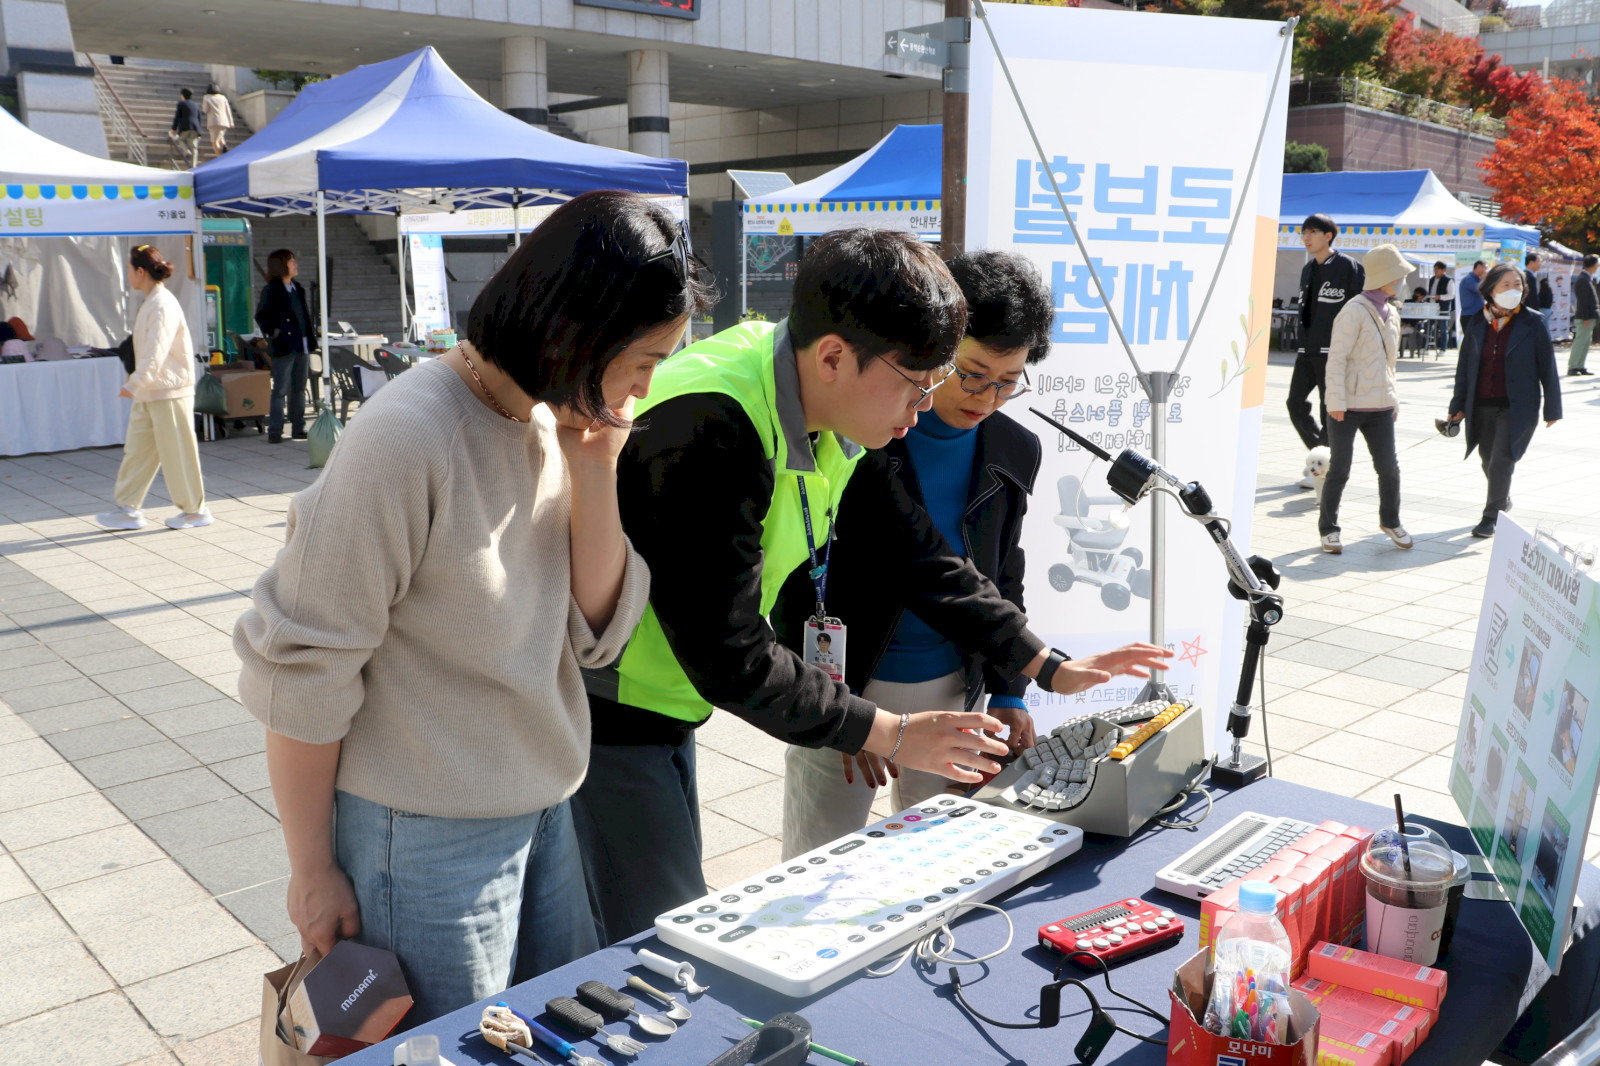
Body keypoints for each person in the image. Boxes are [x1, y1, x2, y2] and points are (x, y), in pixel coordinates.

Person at [573, 228, 1160, 946]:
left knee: (666, 920)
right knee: (658, 939)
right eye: (923, 385)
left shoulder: (830, 400)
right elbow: (726, 647)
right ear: (832, 357)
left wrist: (1044, 664)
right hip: (610, 708)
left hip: (669, 696)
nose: (922, 414)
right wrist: (887, 729)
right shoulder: (712, 425)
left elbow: (921, 553)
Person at [234, 192, 706, 1026]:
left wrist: (596, 463)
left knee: (556, 1038)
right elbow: (301, 667)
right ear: (576, 331)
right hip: (423, 838)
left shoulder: (551, 420)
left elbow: (597, 634)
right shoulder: (408, 436)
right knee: (447, 1050)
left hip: (546, 808)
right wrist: (311, 867)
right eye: (645, 358)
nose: (648, 383)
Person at [773, 250, 1171, 859]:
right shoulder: (860, 429)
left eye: (1008, 381)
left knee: (939, 863)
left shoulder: (1015, 447)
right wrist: (842, 715)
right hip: (846, 682)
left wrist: (1012, 687)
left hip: (954, 686)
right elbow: (825, 571)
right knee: (817, 862)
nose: (987, 397)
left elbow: (998, 573)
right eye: (972, 374)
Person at [96, 245, 212, 532]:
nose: (127, 275)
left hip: (168, 391)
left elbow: (156, 353)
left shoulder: (161, 304)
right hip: (152, 390)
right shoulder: (152, 301)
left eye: (128, 269)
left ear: (140, 271)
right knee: (137, 451)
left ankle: (195, 510)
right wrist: (138, 384)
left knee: (178, 453)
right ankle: (127, 508)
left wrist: (135, 382)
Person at [1447, 262, 1563, 539]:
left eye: (1518, 285)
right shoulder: (1476, 322)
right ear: (1491, 290)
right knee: (1487, 460)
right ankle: (1502, 500)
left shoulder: (1533, 322)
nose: (1514, 289)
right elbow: (1464, 369)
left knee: (1501, 460)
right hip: (1482, 404)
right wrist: (1457, 406)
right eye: (1506, 285)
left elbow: (1548, 366)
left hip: (1517, 405)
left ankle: (1491, 516)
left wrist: (1553, 408)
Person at [1317, 244, 1412, 556]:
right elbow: (1337, 360)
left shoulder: (1393, 313)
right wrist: (1336, 402)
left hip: (1380, 406)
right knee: (1340, 470)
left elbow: (1390, 363)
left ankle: (1391, 520)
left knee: (1390, 469)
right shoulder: (1353, 311)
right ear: (1385, 277)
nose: (1402, 281)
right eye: (1398, 275)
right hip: (1347, 408)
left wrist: (1393, 399)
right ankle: (1329, 529)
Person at [1290, 213, 1364, 483]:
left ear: (1328, 235)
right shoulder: (1307, 269)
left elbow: (1360, 310)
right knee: (1294, 404)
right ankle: (1320, 460)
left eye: (1312, 232)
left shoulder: (1348, 267)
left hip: (1334, 352)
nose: (1306, 238)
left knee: (1327, 409)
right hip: (1305, 351)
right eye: (1304, 233)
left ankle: (1319, 469)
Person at [255, 249, 314, 443]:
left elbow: (304, 315)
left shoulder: (298, 288)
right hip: (284, 346)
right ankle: (275, 429)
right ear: (282, 265)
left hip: (302, 345)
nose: (295, 264)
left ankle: (298, 427)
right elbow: (262, 316)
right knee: (280, 389)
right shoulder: (272, 290)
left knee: (299, 388)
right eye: (291, 261)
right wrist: (275, 332)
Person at [1569, 254, 1598, 377]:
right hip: (1584, 317)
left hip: (1589, 316)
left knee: (1586, 342)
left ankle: (1580, 365)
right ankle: (1573, 366)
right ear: (1592, 265)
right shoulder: (1582, 279)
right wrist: (1586, 317)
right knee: (1580, 342)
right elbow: (1582, 301)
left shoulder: (1587, 278)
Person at [1426, 261, 1454, 351]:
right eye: (1435, 269)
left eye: (1437, 269)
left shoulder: (1449, 280)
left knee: (1443, 328)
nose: (1435, 271)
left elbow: (1451, 295)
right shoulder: (1432, 279)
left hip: (1443, 307)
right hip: (1432, 307)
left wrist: (1440, 297)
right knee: (1429, 326)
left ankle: (1443, 348)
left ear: (1443, 270)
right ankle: (1427, 347)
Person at [170, 88, 201, 168]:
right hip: (195, 127)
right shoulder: (196, 105)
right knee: (194, 146)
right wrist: (199, 132)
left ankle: (186, 151)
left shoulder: (181, 104)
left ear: (182, 95)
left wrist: (174, 128)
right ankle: (194, 166)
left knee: (180, 139)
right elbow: (199, 118)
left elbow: (177, 117)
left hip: (185, 126)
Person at [200, 84, 233, 158]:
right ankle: (224, 146)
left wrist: (203, 107)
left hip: (214, 121)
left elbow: (205, 110)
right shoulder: (223, 97)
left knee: (214, 142)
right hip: (224, 121)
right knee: (220, 136)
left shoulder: (206, 97)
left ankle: (219, 157)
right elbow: (228, 110)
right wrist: (231, 122)